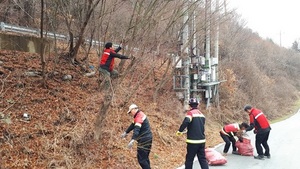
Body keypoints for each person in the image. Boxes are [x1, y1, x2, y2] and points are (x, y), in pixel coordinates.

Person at [176, 98, 209, 169]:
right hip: (202, 141)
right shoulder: (202, 115)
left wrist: (180, 131)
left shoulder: (190, 113)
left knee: (189, 159)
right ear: (197, 105)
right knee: (202, 159)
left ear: (190, 106)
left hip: (193, 141)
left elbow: (186, 121)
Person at [121, 104, 153, 169]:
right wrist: (126, 132)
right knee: (145, 158)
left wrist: (132, 140)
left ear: (134, 109)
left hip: (144, 140)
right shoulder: (140, 114)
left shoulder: (138, 117)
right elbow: (133, 125)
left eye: (130, 112)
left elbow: (137, 129)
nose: (131, 113)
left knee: (141, 159)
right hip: (148, 138)